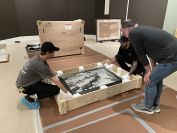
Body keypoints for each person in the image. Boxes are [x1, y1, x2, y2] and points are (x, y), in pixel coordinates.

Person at [121, 19, 177, 114]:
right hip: (171, 56)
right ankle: (154, 105)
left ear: (128, 29)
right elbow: (151, 53)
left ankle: (147, 106)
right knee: (156, 78)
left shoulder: (133, 33)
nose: (123, 34)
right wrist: (153, 68)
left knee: (150, 80)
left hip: (171, 58)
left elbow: (140, 54)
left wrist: (148, 72)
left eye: (123, 31)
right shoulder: (142, 31)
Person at [16, 42, 72, 109]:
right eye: (53, 52)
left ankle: (33, 93)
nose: (54, 53)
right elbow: (55, 81)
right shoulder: (40, 65)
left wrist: (54, 74)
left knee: (45, 82)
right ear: (47, 53)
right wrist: (66, 92)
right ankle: (31, 96)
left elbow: (47, 67)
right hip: (22, 88)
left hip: (21, 83)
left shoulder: (38, 57)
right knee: (56, 89)